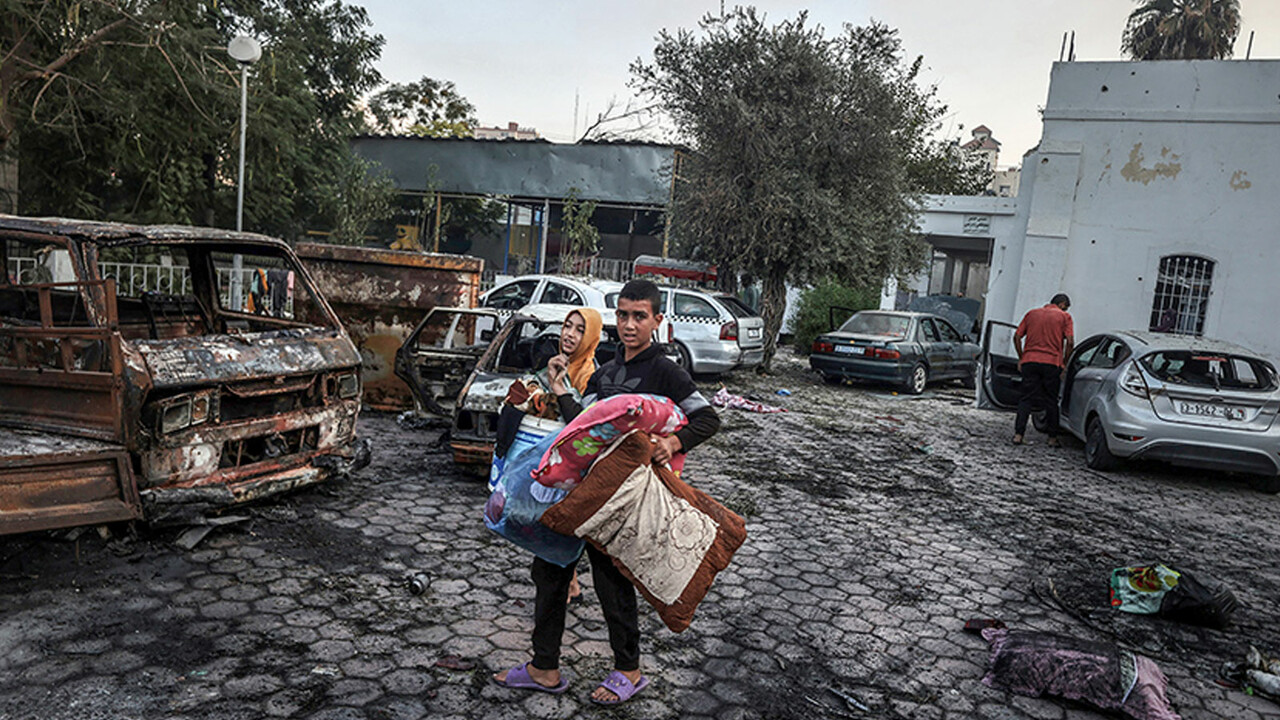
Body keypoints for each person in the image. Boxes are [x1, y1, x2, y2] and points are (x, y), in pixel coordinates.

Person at [492, 279, 721, 705]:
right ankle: (544, 667)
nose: (630, 324)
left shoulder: (664, 370)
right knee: (550, 570)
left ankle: (628, 671)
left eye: (639, 316)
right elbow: (584, 424)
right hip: (583, 491)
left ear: (657, 320)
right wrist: (561, 391)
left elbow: (707, 419)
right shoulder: (607, 370)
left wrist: (671, 444)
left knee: (612, 580)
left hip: (623, 500)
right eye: (623, 315)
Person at [492, 308, 602, 603]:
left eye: (580, 330)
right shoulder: (552, 364)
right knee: (547, 520)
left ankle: (561, 593)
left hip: (573, 465)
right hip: (548, 461)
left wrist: (559, 388)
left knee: (558, 524)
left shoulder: (593, 376)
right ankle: (571, 586)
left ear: (590, 337)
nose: (570, 334)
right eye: (567, 326)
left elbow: (584, 423)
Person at [1012, 293, 1074, 446]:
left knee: (1025, 399)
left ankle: (1018, 435)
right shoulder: (1065, 317)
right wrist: (1064, 362)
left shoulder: (1031, 314)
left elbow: (1017, 337)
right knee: (1051, 400)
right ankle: (1052, 438)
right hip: (1052, 362)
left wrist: (1022, 356)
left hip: (1030, 361)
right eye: (1065, 307)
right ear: (1062, 304)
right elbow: (1070, 342)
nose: (1065, 310)